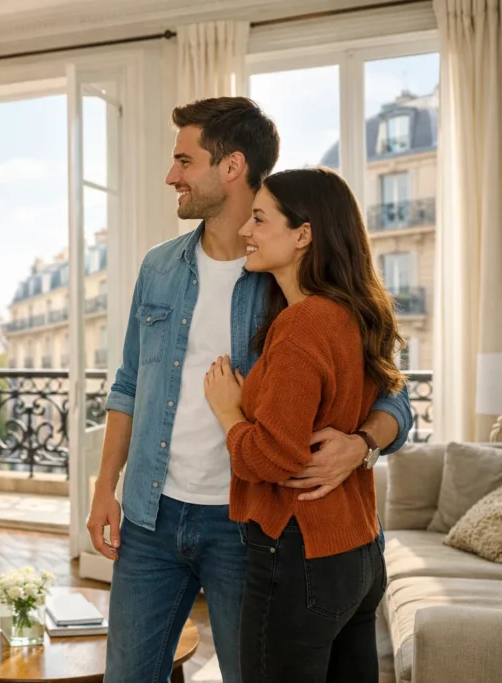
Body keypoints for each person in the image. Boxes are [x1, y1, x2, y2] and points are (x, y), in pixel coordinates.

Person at [88, 97, 412, 683]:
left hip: (249, 528)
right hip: (151, 513)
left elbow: (392, 394)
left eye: (184, 160)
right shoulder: (159, 267)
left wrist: (363, 444)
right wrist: (104, 487)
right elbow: (130, 383)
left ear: (232, 166)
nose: (171, 176)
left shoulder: (292, 273)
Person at [203, 167, 398, 682]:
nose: (247, 230)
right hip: (358, 554)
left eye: (260, 219)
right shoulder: (351, 314)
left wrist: (228, 410)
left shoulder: (302, 324)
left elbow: (270, 457)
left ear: (303, 234)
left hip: (299, 554)